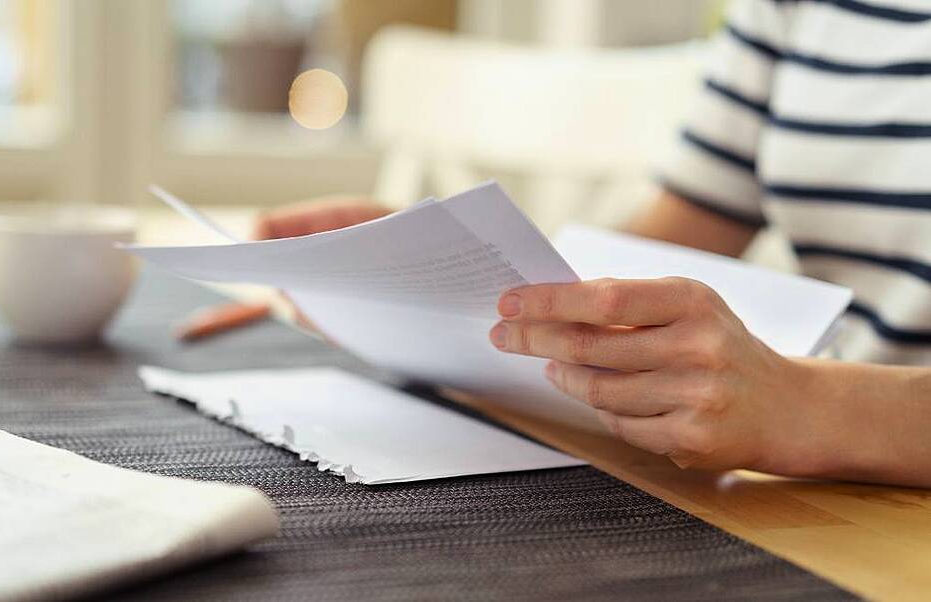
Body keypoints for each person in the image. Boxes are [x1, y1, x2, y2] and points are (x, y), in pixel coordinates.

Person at [253, 0, 931, 488]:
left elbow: (798, 404)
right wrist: (422, 273)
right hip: (820, 491)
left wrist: (807, 407)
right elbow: (681, 231)